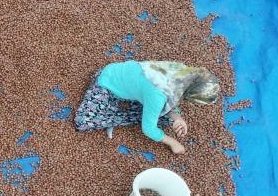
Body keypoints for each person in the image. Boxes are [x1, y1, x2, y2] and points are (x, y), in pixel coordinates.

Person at [73, 60, 220, 154]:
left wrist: (176, 116)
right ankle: (112, 116)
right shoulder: (158, 94)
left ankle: (123, 110)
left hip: (135, 86)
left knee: (167, 120)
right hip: (107, 82)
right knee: (83, 122)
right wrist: (172, 143)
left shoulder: (182, 72)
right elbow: (148, 130)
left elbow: (170, 98)